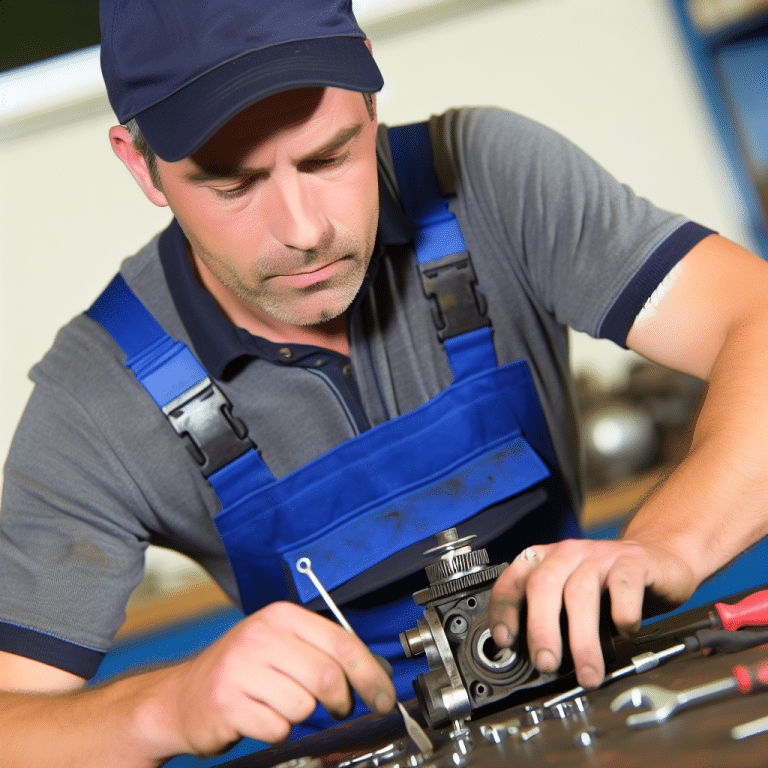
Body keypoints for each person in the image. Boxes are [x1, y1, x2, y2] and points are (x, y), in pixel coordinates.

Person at [1, 0, 767, 764]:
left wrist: (667, 544)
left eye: (330, 158)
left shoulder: (486, 179)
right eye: (234, 186)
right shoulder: (98, 395)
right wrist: (158, 708)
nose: (303, 231)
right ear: (142, 166)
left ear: (370, 90)